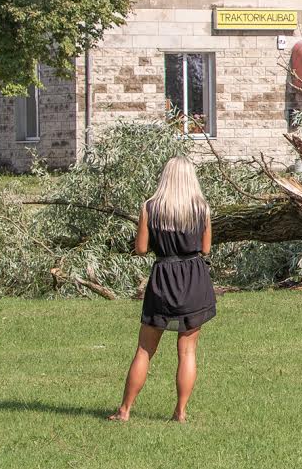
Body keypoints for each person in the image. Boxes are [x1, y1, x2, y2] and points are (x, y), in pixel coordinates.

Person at [109, 156, 215, 422]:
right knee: (188, 351)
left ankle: (125, 410)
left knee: (145, 349)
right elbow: (205, 249)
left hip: (163, 277)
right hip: (193, 278)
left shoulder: (149, 208)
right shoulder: (201, 208)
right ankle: (180, 412)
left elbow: (141, 249)